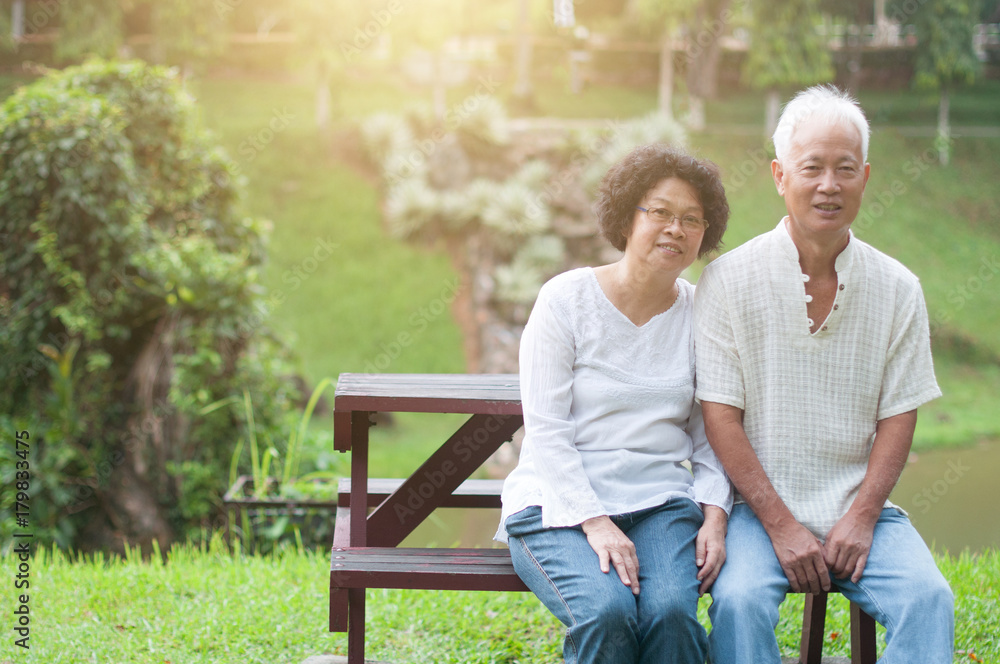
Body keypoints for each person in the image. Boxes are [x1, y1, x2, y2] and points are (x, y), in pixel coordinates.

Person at [693, 84, 954, 663]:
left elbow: (899, 413)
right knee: (738, 604)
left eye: (844, 169)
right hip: (755, 515)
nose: (829, 185)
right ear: (780, 175)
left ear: (865, 176)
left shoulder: (898, 288)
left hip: (864, 513)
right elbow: (720, 416)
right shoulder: (728, 280)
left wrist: (861, 516)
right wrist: (782, 526)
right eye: (812, 168)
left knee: (929, 598)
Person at [495, 144, 733, 664]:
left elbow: (712, 434)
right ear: (628, 217)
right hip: (556, 506)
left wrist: (715, 516)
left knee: (672, 613)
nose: (675, 228)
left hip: (659, 505)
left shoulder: (703, 314)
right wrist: (595, 522)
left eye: (692, 219)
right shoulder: (566, 301)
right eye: (661, 212)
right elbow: (547, 430)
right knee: (608, 612)